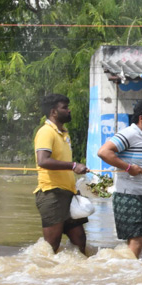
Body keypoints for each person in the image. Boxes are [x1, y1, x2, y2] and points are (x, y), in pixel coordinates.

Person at [96, 98, 142, 258]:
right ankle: (129, 275)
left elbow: (139, 160)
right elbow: (103, 152)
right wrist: (129, 168)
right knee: (137, 240)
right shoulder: (129, 134)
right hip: (129, 196)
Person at [34, 93, 89, 254]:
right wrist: (73, 166)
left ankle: (72, 276)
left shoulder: (64, 133)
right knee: (52, 245)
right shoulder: (46, 132)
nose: (69, 110)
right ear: (53, 112)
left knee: (80, 240)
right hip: (51, 194)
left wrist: (74, 188)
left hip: (68, 194)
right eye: (65, 107)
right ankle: (46, 275)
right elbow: (43, 160)